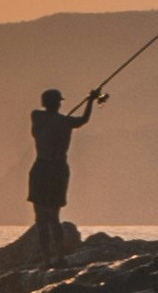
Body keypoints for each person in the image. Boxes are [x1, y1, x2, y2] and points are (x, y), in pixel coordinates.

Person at [26, 83, 103, 241]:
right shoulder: (65, 122)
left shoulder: (37, 117)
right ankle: (58, 258)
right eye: (58, 102)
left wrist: (90, 100)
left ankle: (47, 260)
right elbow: (83, 119)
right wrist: (91, 101)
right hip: (57, 169)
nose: (60, 104)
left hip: (41, 168)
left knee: (40, 218)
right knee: (53, 217)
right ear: (57, 103)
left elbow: (80, 120)